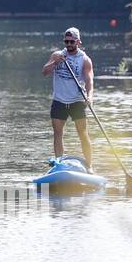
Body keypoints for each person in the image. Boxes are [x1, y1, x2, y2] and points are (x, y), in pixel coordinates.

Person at [42, 26, 94, 170]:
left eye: (72, 42)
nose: (69, 45)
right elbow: (44, 72)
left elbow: (89, 80)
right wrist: (55, 62)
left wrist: (89, 97)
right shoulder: (57, 55)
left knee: (83, 134)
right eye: (66, 41)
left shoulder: (85, 59)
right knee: (58, 134)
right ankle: (59, 164)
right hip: (59, 100)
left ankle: (89, 166)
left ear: (78, 41)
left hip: (77, 101)